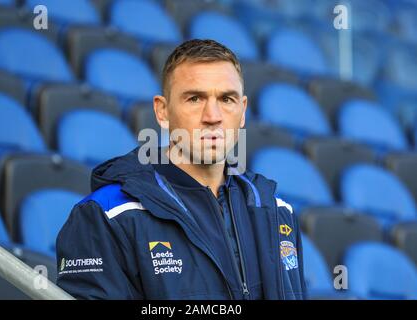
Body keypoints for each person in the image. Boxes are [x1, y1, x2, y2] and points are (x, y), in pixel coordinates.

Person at [56, 39, 306, 300]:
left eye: (226, 99)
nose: (212, 116)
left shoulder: (277, 212)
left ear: (242, 111)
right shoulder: (107, 215)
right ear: (162, 111)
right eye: (195, 98)